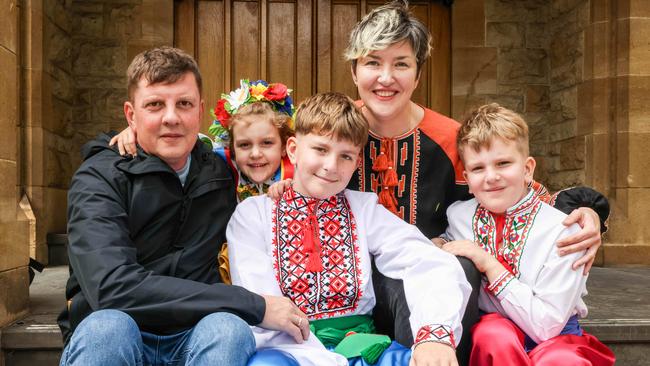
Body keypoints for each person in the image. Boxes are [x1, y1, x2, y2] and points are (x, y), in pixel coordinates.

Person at [341, 2, 607, 364]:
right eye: (373, 62)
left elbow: (518, 193)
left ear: (417, 75)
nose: (386, 78)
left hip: (432, 282)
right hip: (347, 279)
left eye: (401, 63)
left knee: (456, 267)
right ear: (355, 72)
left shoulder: (450, 138)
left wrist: (586, 211)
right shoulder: (334, 135)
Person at [57, 47, 310, 366]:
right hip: (118, 329)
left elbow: (301, 148)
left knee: (229, 329)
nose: (172, 117)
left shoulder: (223, 171)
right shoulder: (99, 176)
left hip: (197, 333)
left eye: (184, 104)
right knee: (108, 329)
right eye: (154, 105)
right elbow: (112, 288)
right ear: (131, 115)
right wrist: (255, 305)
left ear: (200, 110)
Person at [228, 92, 471, 366]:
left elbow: (427, 261)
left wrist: (434, 336)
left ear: (356, 163)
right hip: (288, 349)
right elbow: (261, 299)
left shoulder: (363, 209)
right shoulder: (253, 215)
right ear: (294, 150)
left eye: (345, 156)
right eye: (320, 150)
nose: (331, 166)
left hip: (363, 347)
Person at [438, 103, 615, 365]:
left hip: (555, 337)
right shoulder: (458, 216)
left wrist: (487, 262)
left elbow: (546, 327)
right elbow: (446, 246)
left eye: (503, 163)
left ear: (528, 169)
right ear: (467, 178)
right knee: (492, 335)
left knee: (562, 360)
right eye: (478, 168)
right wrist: (437, 244)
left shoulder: (565, 230)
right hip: (495, 338)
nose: (491, 177)